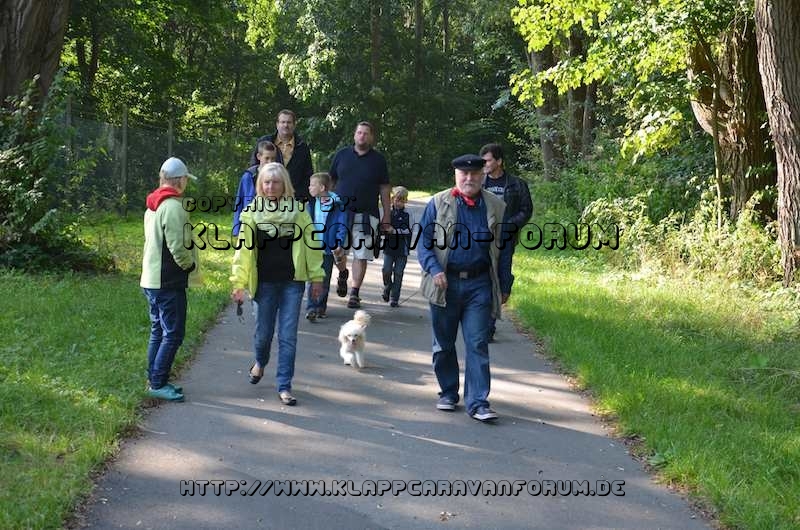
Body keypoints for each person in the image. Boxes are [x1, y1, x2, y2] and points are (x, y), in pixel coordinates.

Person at [417, 154, 513, 422]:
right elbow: (424, 243)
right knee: (444, 344)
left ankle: (478, 402)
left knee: (478, 343)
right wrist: (435, 270)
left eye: (474, 174)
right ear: (456, 176)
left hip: (479, 284)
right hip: (445, 284)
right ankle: (448, 392)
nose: (469, 178)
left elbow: (504, 250)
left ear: (483, 175)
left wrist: (505, 283)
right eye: (464, 174)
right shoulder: (438, 202)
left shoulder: (495, 205)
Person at [230, 163, 325, 406]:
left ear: (285, 185)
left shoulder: (300, 213)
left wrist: (317, 277)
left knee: (288, 336)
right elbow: (243, 252)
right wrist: (238, 283)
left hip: (292, 283)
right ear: (261, 185)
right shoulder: (251, 213)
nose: (271, 187)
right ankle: (260, 362)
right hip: (264, 284)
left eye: (276, 182)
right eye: (266, 182)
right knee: (263, 335)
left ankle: (284, 385)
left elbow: (313, 247)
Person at [140, 157, 200, 402]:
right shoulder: (173, 206)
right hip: (168, 280)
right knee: (173, 333)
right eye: (186, 179)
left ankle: (155, 377)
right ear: (180, 180)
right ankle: (157, 382)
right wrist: (189, 265)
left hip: (151, 279)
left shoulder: (153, 204)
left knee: (158, 331)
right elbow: (177, 245)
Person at [329, 121, 390, 309]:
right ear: (354, 135)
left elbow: (385, 187)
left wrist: (386, 214)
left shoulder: (379, 160)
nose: (362, 136)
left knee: (361, 254)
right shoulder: (342, 155)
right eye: (359, 133)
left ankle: (354, 292)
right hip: (340, 212)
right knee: (337, 249)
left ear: (371, 137)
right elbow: (330, 181)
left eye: (366, 133)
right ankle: (342, 272)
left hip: (367, 214)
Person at [479, 143, 533, 342]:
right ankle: (487, 325)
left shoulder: (517, 184)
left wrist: (510, 225)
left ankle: (501, 299)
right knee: (484, 277)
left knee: (501, 278)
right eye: (483, 160)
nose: (484, 164)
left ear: (499, 161)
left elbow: (526, 210)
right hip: (482, 240)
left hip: (506, 239)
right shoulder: (479, 183)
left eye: (488, 160)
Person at [305, 172, 352, 321]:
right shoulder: (311, 204)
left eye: (312, 185)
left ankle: (320, 307)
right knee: (313, 278)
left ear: (322, 187)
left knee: (324, 279)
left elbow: (342, 225)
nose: (309, 187)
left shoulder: (337, 205)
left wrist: (338, 242)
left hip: (327, 248)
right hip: (312, 248)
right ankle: (311, 307)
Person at [250, 109, 314, 202]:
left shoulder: (302, 147)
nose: (286, 125)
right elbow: (254, 168)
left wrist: (299, 196)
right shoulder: (265, 142)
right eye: (283, 122)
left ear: (294, 125)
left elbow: (308, 175)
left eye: (289, 122)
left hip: (294, 198)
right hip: (266, 196)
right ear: (277, 124)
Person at [232, 140, 282, 236]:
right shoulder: (249, 176)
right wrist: (237, 228)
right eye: (267, 158)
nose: (270, 162)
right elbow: (240, 201)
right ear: (259, 156)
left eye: (273, 158)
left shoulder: (279, 176)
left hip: (272, 223)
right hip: (251, 221)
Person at [381, 186, 415, 308]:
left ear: (405, 201)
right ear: (392, 199)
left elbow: (409, 230)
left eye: (401, 200)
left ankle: (395, 297)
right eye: (396, 199)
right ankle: (387, 286)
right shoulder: (388, 213)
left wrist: (394, 231)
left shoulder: (408, 214)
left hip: (402, 249)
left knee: (398, 273)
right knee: (386, 269)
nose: (398, 202)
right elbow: (383, 226)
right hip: (389, 247)